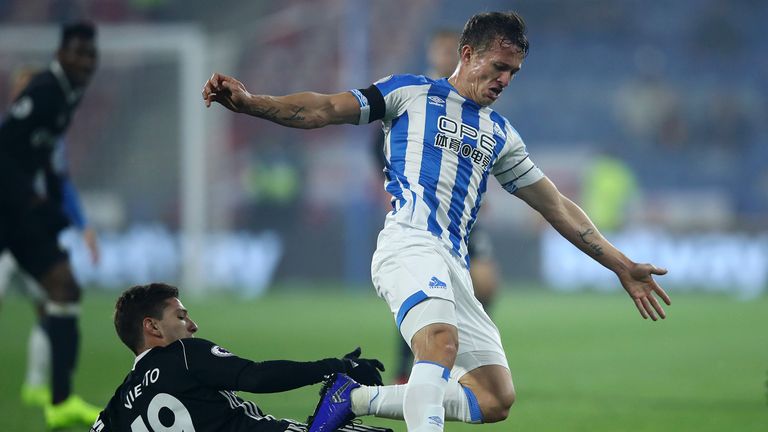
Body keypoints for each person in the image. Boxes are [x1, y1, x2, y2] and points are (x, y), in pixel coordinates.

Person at [202, 11, 671, 432]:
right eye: (499, 67)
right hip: (408, 243)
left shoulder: (501, 136)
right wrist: (250, 103)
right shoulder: (410, 93)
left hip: (454, 262)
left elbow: (557, 206)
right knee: (439, 345)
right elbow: (323, 108)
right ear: (468, 55)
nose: (506, 79)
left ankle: (354, 398)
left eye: (514, 73)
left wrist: (620, 264)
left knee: (494, 399)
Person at [371, 29, 500, 385]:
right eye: (440, 49)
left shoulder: (475, 101)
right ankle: (406, 368)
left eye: (450, 50)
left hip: (460, 219)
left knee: (486, 284)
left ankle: (459, 355)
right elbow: (379, 144)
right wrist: (390, 186)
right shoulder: (416, 95)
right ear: (432, 53)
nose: (446, 56)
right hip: (422, 213)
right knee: (426, 293)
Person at [90, 283, 391, 432]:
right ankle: (342, 400)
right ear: (152, 326)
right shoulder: (182, 353)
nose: (193, 325)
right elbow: (256, 377)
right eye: (181, 317)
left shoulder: (117, 407)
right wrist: (336, 366)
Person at [0, 22, 101, 428]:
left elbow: (45, 161)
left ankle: (60, 402)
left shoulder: (68, 94)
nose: (84, 61)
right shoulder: (44, 91)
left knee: (63, 286)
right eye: (77, 52)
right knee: (59, 288)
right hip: (9, 209)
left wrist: (55, 207)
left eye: (90, 54)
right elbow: (4, 150)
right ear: (60, 54)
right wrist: (31, 199)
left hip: (21, 212)